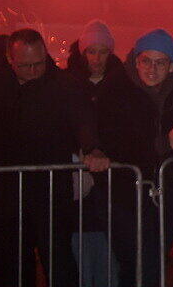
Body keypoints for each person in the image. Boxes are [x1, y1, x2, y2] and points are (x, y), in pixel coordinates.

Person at [0, 28, 109, 287]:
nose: (33, 71)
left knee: (58, 260)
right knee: (8, 263)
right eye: (25, 65)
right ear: (10, 59)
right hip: (4, 189)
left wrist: (92, 148)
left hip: (50, 189)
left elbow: (83, 121)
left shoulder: (65, 85)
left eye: (39, 64)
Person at [95, 28, 173, 287]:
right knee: (133, 261)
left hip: (166, 194)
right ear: (136, 60)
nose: (152, 69)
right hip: (123, 194)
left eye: (160, 62)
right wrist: (161, 144)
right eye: (146, 60)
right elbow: (112, 141)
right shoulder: (114, 89)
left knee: (152, 260)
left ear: (172, 66)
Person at [66, 20, 123, 287]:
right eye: (91, 51)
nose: (97, 58)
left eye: (102, 51)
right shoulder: (69, 83)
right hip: (80, 172)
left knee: (108, 241)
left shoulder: (122, 82)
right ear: (82, 52)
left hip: (112, 176)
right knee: (79, 239)